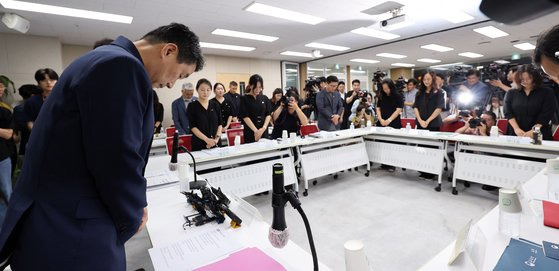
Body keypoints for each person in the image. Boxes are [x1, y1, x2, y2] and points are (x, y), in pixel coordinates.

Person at [0, 23, 204, 270]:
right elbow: (116, 158)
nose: (173, 84)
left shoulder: (99, 59)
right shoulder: (121, 67)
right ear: (168, 51)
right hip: (72, 228)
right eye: (180, 75)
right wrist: (133, 211)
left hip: (54, 217)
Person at [504, 64, 556, 140]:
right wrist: (516, 129)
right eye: (522, 79)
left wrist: (534, 130)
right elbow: (508, 112)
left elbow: (547, 113)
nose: (525, 81)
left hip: (539, 132)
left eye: (528, 78)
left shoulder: (546, 92)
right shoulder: (511, 92)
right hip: (516, 133)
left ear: (535, 78)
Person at [187, 79, 222, 151]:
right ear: (197, 90)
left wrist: (216, 139)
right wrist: (207, 140)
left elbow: (220, 124)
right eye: (202, 90)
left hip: (216, 143)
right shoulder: (192, 106)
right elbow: (193, 127)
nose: (205, 92)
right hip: (199, 144)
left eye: (208, 90)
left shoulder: (215, 104)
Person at [239, 74, 271, 143]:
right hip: (251, 131)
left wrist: (263, 128)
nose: (258, 90)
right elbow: (245, 116)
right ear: (250, 85)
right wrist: (256, 131)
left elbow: (268, 114)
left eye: (260, 87)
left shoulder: (264, 98)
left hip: (263, 131)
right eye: (256, 87)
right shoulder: (244, 99)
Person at [0, 80, 14, 228]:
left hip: (2, 157)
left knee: (7, 192)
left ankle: (10, 227)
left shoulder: (4, 111)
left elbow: (9, 134)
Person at [12, 85, 40, 156]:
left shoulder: (18, 108)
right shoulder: (22, 109)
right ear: (32, 96)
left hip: (26, 144)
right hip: (32, 144)